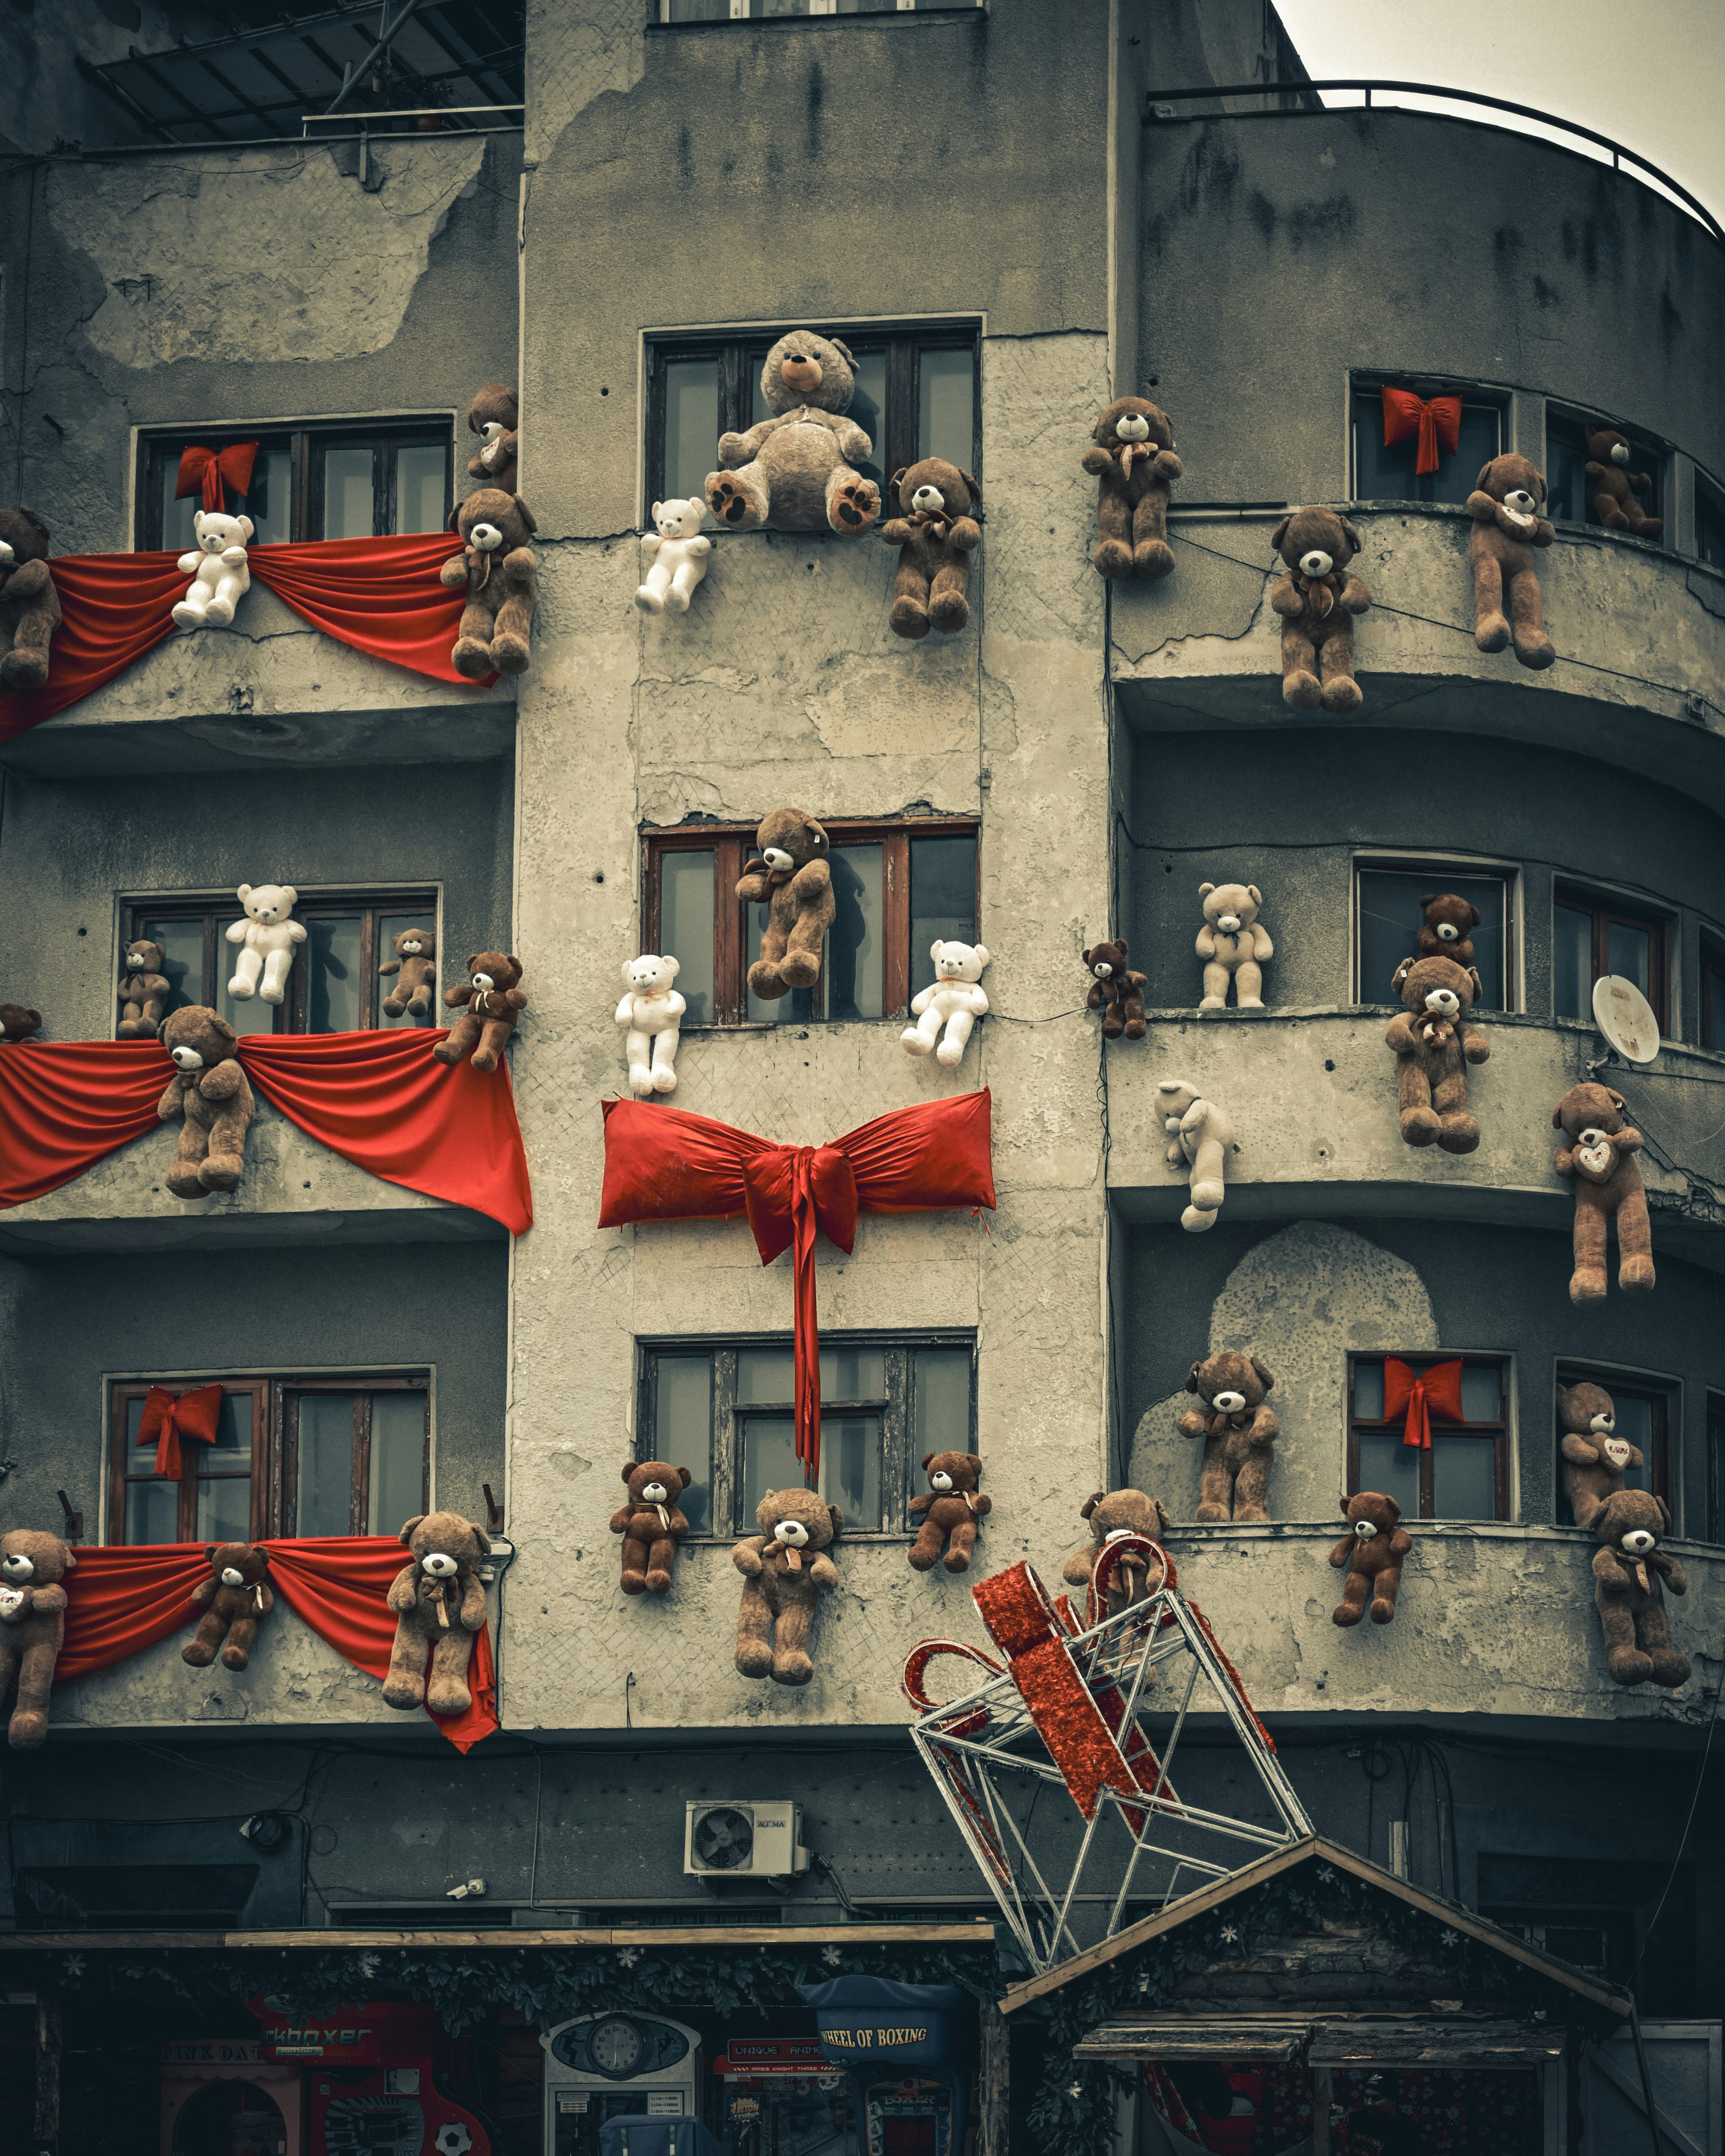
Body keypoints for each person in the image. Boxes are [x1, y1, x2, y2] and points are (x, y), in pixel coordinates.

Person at [1343, 2072, 1422, 2156]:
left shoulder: (1407, 2132)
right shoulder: (1356, 2120)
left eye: (1377, 2098)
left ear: (1393, 2100)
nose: (1369, 2103)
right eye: (1367, 2097)